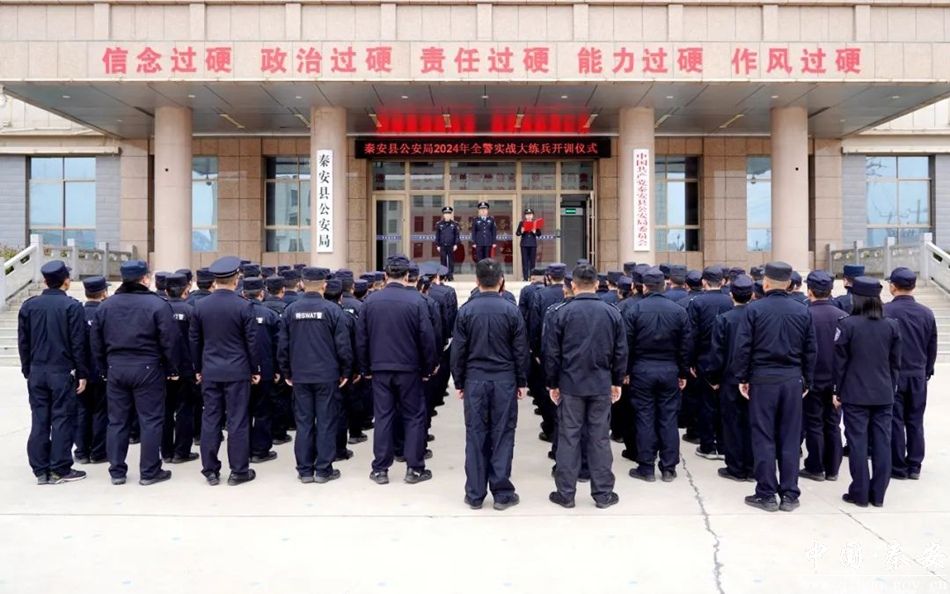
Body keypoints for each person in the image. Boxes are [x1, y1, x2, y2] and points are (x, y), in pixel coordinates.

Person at [733, 262, 817, 513]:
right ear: (789, 284)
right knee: (790, 437)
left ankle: (767, 493)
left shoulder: (754, 309)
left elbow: (743, 348)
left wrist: (742, 378)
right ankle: (790, 494)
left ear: (766, 283)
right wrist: (807, 380)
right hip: (792, 380)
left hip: (762, 380)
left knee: (763, 437)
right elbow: (811, 350)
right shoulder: (802, 310)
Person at [545, 264, 627, 509]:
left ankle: (566, 493)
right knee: (599, 438)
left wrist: (552, 383)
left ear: (573, 285)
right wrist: (617, 380)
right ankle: (603, 493)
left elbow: (552, 353)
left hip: (570, 384)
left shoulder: (562, 313)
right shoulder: (611, 312)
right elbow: (621, 351)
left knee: (569, 437)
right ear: (597, 284)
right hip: (600, 383)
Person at [451, 258, 530, 510]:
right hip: (504, 380)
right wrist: (522, 380)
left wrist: (459, 381)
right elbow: (521, 350)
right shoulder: (511, 311)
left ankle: (475, 494)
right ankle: (502, 493)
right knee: (503, 434)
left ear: (477, 281)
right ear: (501, 281)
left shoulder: (466, 311)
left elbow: (458, 351)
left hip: (475, 380)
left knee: (475, 434)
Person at [92, 259, 179, 486]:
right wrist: (171, 368)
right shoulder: (157, 305)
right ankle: (149, 471)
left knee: (117, 421)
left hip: (116, 367)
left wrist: (104, 369)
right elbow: (169, 341)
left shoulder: (106, 306)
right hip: (148, 367)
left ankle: (117, 471)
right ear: (145, 279)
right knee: (150, 420)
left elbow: (96, 343)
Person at [357, 255, 437, 485]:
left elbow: (361, 339)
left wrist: (365, 368)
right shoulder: (417, 301)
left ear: (385, 275)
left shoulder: (371, 301)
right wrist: (428, 368)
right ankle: (414, 468)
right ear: (407, 276)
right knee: (414, 416)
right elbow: (427, 338)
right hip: (409, 368)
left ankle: (380, 469)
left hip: (380, 368)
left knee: (383, 416)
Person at [190, 256, 261, 487]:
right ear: (236, 278)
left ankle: (210, 470)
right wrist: (255, 368)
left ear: (215, 281)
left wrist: (198, 368)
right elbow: (252, 342)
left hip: (210, 370)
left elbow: (195, 341)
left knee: (210, 419)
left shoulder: (201, 306)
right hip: (237, 370)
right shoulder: (243, 306)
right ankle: (238, 471)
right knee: (237, 420)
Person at [278, 267, 353, 484]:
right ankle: (323, 470)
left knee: (304, 422)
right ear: (324, 285)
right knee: (326, 421)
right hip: (326, 375)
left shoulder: (291, 310)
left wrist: (286, 371)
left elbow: (283, 345)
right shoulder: (333, 310)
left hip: (300, 375)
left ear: (302, 284)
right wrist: (346, 371)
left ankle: (304, 470)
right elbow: (343, 346)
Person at [18, 260, 89, 485]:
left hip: (37, 371)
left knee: (39, 420)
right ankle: (59, 468)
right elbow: (78, 343)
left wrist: (27, 369)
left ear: (45, 281)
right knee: (62, 419)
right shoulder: (72, 307)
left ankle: (40, 469)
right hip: (61, 372)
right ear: (66, 281)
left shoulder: (29, 306)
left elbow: (23, 342)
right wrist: (82, 373)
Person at [834, 276, 901, 508]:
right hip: (883, 393)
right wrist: (890, 387)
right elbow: (895, 364)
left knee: (858, 444)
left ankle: (860, 493)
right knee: (882, 443)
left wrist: (837, 390)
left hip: (855, 394)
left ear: (857, 298)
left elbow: (840, 364)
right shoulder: (891, 325)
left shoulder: (847, 325)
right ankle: (878, 494)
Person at [624, 267, 691, 483]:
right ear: (665, 286)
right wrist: (683, 372)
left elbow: (626, 345)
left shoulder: (634, 310)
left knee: (644, 417)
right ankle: (668, 467)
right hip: (669, 369)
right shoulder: (678, 311)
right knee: (668, 418)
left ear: (644, 287)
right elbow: (685, 346)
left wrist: (625, 371)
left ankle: (646, 467)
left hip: (642, 370)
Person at [884, 267, 937, 481]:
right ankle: (915, 464)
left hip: (894, 374)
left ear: (893, 286)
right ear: (913, 286)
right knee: (915, 420)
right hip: (918, 373)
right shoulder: (926, 313)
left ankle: (898, 466)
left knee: (895, 420)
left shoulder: (886, 311)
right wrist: (927, 370)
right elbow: (931, 346)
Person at [800, 270, 847, 483]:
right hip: (836, 379)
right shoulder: (842, 316)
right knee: (833, 423)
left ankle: (816, 466)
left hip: (813, 378)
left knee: (814, 422)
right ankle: (833, 468)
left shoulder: (805, 314)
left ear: (809, 291)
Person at [708, 275, 755, 482]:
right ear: (752, 295)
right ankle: (752, 467)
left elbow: (717, 353)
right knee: (753, 423)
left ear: (731, 295)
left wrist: (714, 378)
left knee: (732, 424)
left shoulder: (724, 319)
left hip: (729, 379)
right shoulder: (757, 316)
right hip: (753, 379)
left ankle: (736, 467)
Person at [687, 266, 734, 460]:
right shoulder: (730, 300)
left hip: (704, 357)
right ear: (722, 282)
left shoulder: (697, 302)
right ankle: (723, 445)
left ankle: (707, 445)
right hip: (727, 358)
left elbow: (692, 334)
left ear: (704, 282)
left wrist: (690, 361)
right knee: (724, 404)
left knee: (706, 403)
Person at [161, 273, 199, 464]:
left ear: (166, 291)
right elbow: (196, 341)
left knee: (165, 410)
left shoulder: (159, 309)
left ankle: (166, 451)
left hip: (163, 368)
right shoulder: (191, 311)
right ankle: (181, 451)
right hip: (186, 368)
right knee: (185, 410)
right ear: (186, 291)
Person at [243, 277, 280, 465]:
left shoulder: (238, 313)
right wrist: (278, 369)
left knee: (243, 412)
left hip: (242, 370)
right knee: (263, 411)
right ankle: (260, 450)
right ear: (262, 293)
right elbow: (277, 344)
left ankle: (244, 450)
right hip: (265, 370)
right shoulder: (270, 315)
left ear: (243, 294)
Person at [74, 275, 108, 466]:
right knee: (101, 412)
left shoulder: (78, 312)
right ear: (104, 293)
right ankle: (98, 451)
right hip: (101, 370)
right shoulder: (105, 312)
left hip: (82, 371)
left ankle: (81, 451)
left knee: (82, 411)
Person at [434, 206, 461, 281]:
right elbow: (437, 235)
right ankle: (443, 275)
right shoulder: (439, 224)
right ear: (443, 215)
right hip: (442, 245)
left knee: (451, 261)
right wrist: (437, 245)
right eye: (446, 214)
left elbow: (457, 235)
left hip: (451, 246)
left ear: (451, 215)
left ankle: (450, 275)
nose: (447, 215)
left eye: (449, 214)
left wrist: (456, 244)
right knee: (443, 261)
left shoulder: (454, 224)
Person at [515, 208, 541, 281]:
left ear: (532, 215)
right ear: (525, 216)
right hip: (524, 244)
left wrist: (534, 232)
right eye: (527, 215)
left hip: (533, 244)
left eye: (530, 214)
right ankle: (525, 278)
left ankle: (532, 278)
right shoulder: (522, 223)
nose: (529, 216)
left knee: (532, 262)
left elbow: (539, 234)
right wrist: (521, 231)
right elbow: (517, 233)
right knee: (524, 261)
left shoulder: (535, 223)